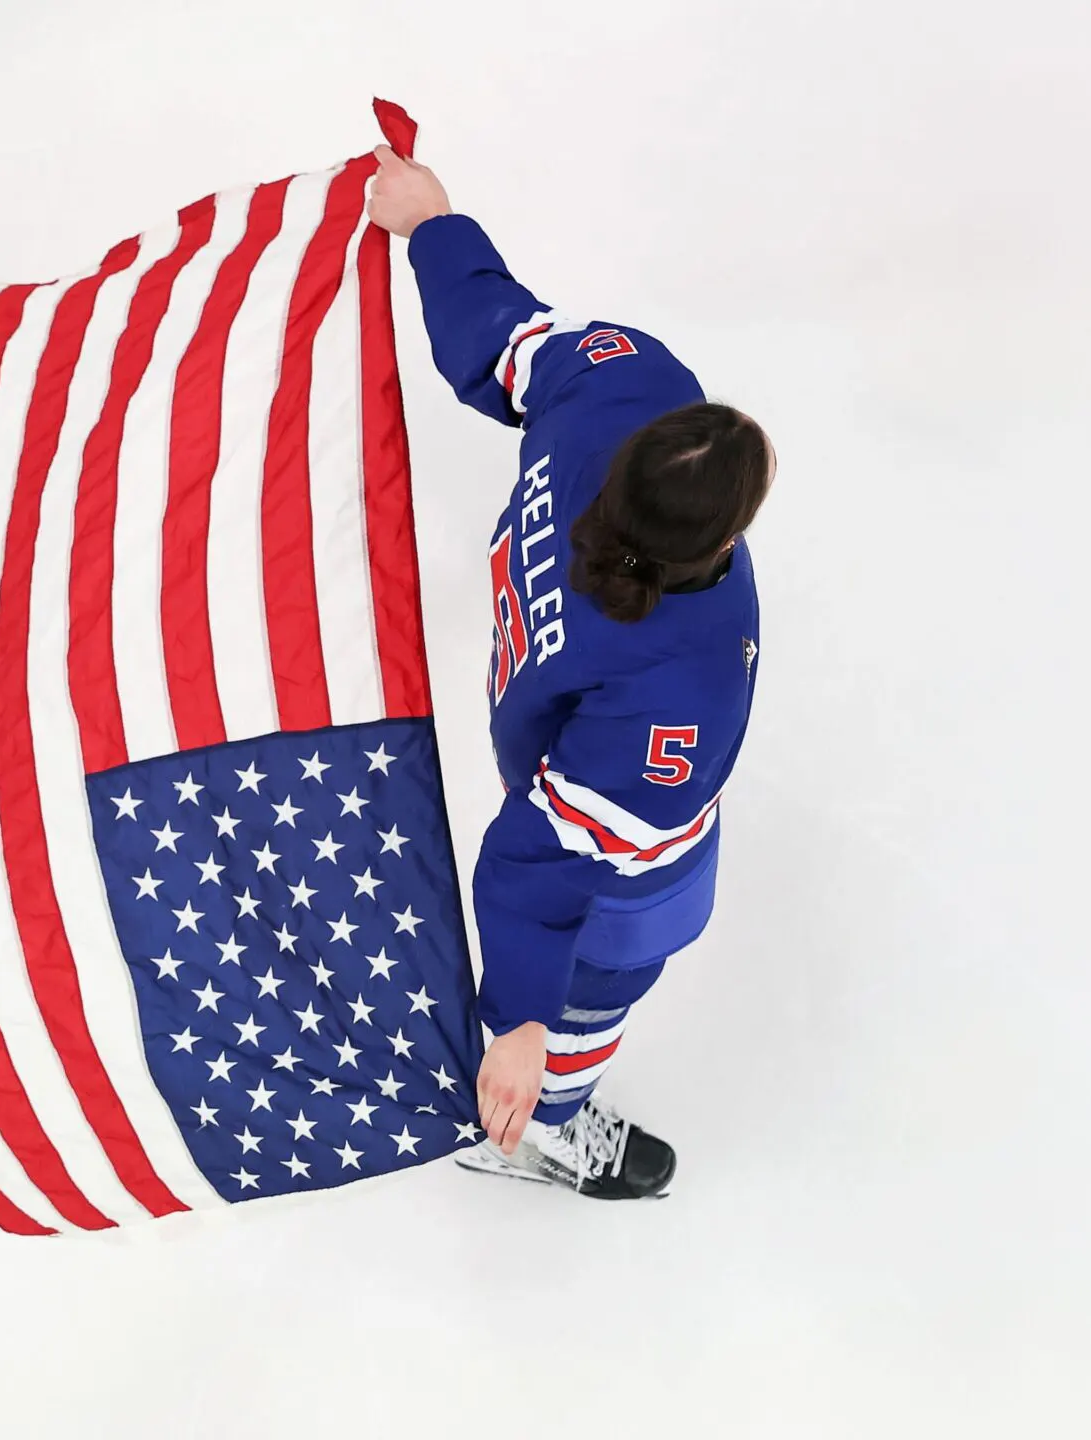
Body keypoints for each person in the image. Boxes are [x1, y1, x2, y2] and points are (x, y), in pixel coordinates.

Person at [367, 146, 771, 1200]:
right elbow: (543, 864)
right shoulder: (676, 704)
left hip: (552, 736)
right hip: (615, 846)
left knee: (577, 943)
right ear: (711, 547)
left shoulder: (617, 386)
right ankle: (544, 1115)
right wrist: (524, 1023)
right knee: (606, 978)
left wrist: (432, 227)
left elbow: (500, 336)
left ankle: (538, 1068)